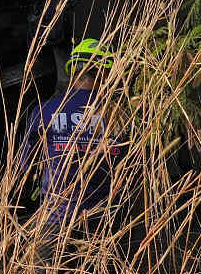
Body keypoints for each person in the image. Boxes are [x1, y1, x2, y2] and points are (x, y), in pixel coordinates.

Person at [17, 38, 128, 226]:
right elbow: (131, 170)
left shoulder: (44, 111)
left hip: (53, 220)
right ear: (104, 71)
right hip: (102, 224)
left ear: (73, 71)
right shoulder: (120, 115)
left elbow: (23, 168)